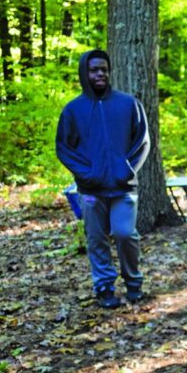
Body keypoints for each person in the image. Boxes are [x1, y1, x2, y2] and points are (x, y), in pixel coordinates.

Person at [56, 49, 150, 310]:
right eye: (94, 69)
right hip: (91, 190)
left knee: (124, 234)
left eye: (104, 69)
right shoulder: (73, 111)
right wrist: (88, 174)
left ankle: (133, 283)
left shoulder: (128, 104)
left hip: (123, 188)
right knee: (96, 239)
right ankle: (105, 288)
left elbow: (142, 141)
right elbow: (64, 148)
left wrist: (127, 169)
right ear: (85, 72)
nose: (100, 74)